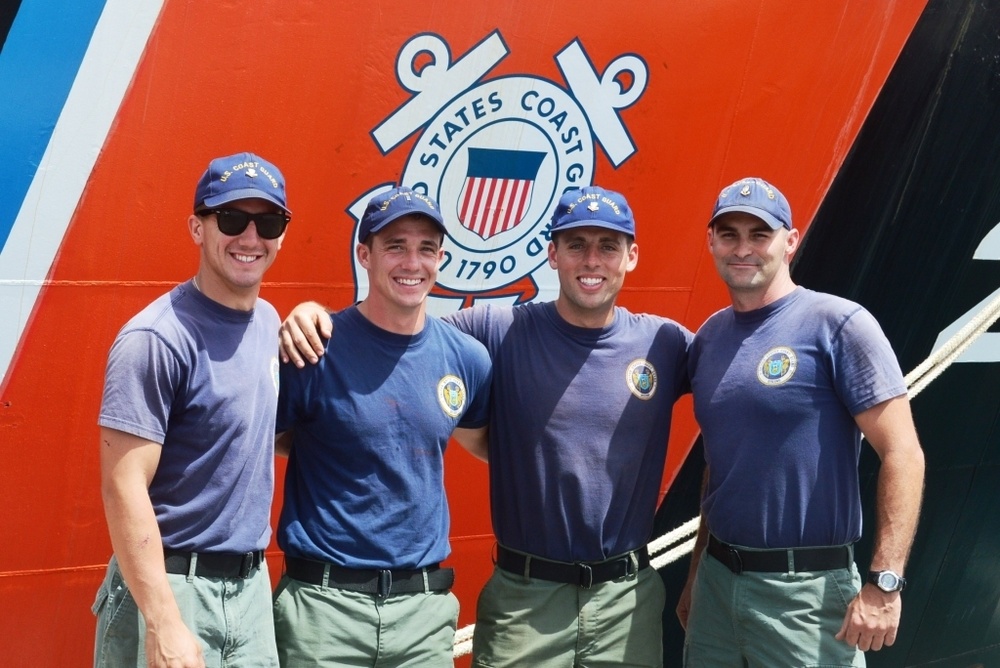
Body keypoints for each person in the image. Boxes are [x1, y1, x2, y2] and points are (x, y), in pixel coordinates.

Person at [280, 185, 693, 667]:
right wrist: (310, 314)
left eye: (608, 246)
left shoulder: (665, 342)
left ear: (632, 255)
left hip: (626, 602)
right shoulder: (495, 332)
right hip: (525, 602)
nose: (591, 261)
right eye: (576, 245)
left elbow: (741, 390)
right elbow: (396, 334)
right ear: (552, 254)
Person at [677, 177, 925, 666]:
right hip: (717, 587)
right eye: (729, 234)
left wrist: (885, 583)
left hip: (807, 598)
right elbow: (721, 465)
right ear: (711, 242)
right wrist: (695, 577)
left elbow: (903, 453)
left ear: (790, 241)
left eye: (759, 234)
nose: (743, 248)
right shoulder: (709, 338)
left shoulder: (838, 325)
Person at [271, 187, 492, 667]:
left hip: (422, 615)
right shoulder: (313, 349)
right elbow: (262, 439)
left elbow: (487, 444)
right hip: (323, 612)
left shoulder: (467, 359)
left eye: (426, 249)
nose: (412, 262)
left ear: (440, 258)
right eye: (395, 246)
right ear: (364, 254)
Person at [93, 152, 291, 668]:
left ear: (282, 235)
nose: (250, 238)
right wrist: (162, 620)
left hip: (249, 590)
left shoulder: (270, 323)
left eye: (267, 222)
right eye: (230, 219)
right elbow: (122, 485)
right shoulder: (156, 337)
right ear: (197, 228)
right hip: (172, 584)